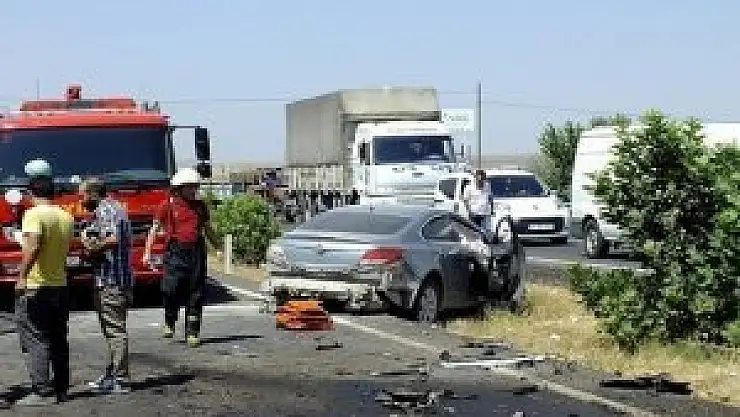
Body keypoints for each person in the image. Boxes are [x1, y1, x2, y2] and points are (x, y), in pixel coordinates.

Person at [15, 159, 74, 406]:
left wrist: (21, 276)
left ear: (31, 193)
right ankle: (62, 388)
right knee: (59, 338)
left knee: (35, 337)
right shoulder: (66, 216)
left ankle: (41, 391)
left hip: (37, 286)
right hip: (60, 284)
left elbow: (34, 246)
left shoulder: (33, 214)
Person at [142, 168, 220, 348]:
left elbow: (208, 229)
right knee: (171, 289)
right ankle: (170, 320)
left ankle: (193, 332)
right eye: (189, 187)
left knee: (196, 292)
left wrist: (218, 247)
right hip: (175, 251)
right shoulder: (167, 205)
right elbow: (154, 230)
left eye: (195, 187)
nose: (193, 190)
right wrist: (147, 252)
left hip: (196, 252)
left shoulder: (200, 206)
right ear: (179, 188)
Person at [78, 178, 133, 394]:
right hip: (112, 279)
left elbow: (112, 240)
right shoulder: (113, 208)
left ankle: (121, 380)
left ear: (93, 193)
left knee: (115, 331)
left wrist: (92, 249)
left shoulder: (106, 209)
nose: (81, 200)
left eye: (83, 195)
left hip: (112, 280)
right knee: (111, 331)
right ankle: (112, 375)